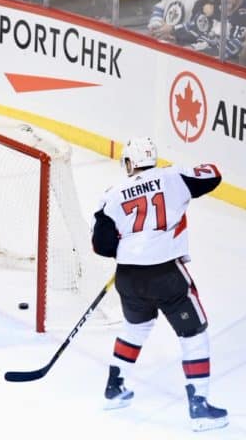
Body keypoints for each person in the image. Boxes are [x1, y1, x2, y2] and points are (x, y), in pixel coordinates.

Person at [91, 137, 228, 432]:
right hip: (166, 275)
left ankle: (114, 388)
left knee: (135, 328)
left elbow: (101, 245)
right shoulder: (173, 177)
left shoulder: (111, 196)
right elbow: (213, 175)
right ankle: (200, 406)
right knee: (193, 334)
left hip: (129, 277)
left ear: (130, 163)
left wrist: (130, 246)